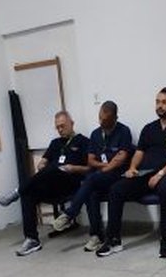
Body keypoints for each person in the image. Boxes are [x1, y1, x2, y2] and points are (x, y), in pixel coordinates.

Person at [96, 87, 166, 259]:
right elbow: (139, 153)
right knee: (117, 189)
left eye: (164, 102)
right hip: (144, 173)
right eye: (157, 102)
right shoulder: (149, 128)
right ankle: (113, 239)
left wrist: (161, 173)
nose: (160, 106)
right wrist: (132, 168)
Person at [0, 111, 91, 256]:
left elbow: (90, 169)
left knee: (53, 170)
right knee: (30, 193)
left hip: (70, 183)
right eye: (57, 127)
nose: (60, 130)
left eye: (62, 126)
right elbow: (43, 162)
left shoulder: (83, 142)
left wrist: (73, 168)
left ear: (72, 123)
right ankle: (32, 239)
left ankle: (17, 191)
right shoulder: (55, 143)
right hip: (51, 183)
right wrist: (41, 164)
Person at [49, 101, 136, 252]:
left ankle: (70, 213)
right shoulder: (96, 134)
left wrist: (106, 167)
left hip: (118, 175)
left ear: (115, 118)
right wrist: (106, 166)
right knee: (91, 191)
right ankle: (96, 236)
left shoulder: (124, 131)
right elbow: (90, 160)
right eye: (100, 118)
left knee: (90, 180)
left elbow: (121, 158)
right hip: (101, 174)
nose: (102, 122)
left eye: (106, 120)